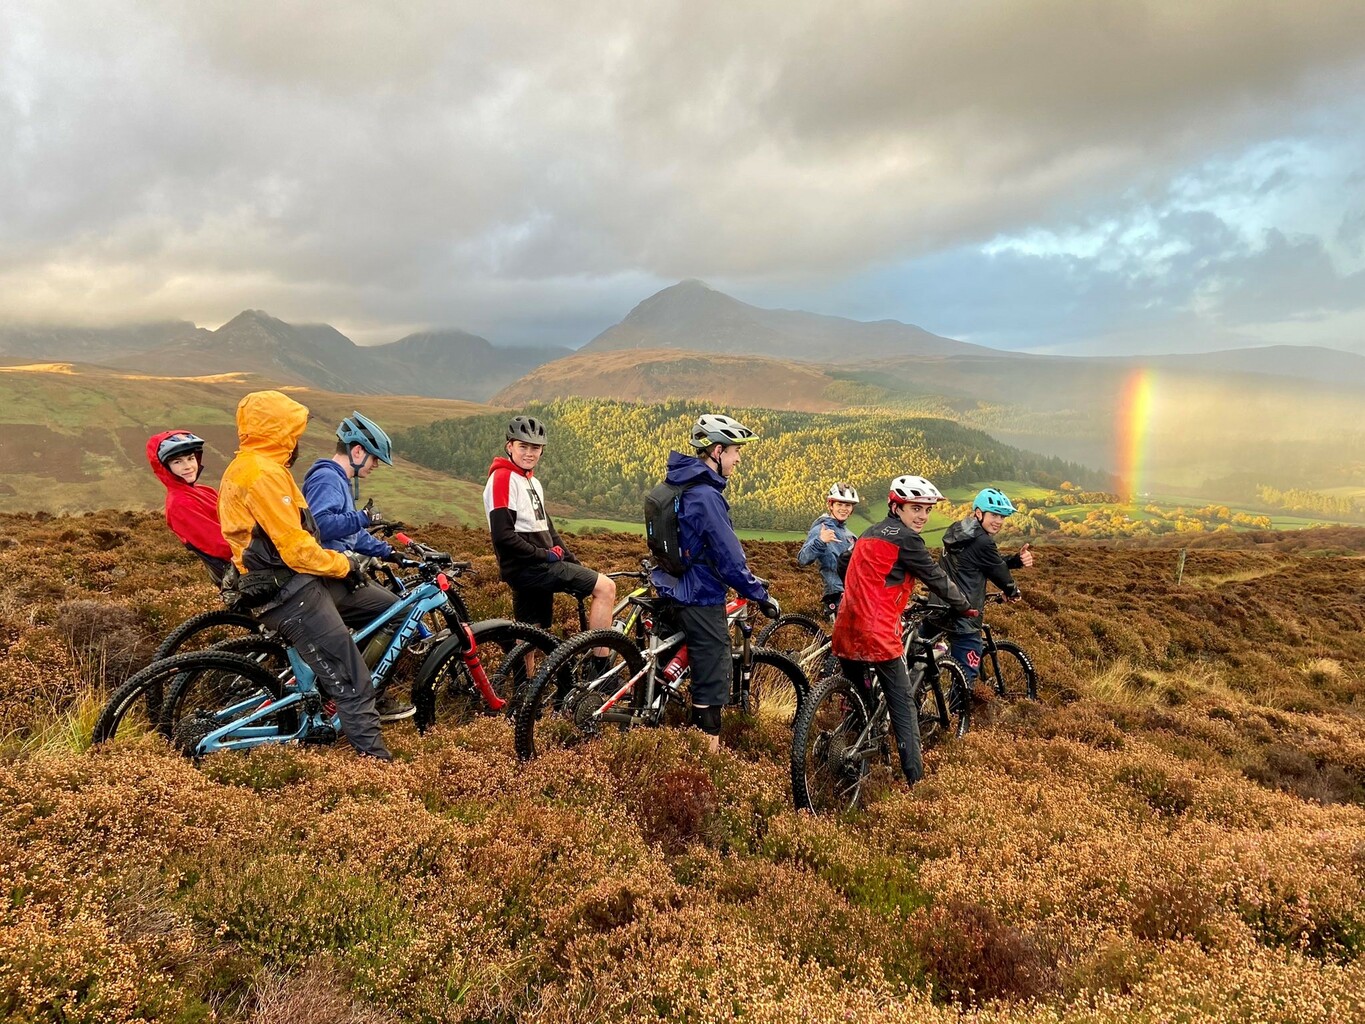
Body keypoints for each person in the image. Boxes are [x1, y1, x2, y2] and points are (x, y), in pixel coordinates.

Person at [218, 389, 394, 761]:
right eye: (293, 433)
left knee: (379, 608)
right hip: (288, 591)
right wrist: (345, 565)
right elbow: (295, 548)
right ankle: (377, 767)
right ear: (278, 432)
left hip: (293, 582)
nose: (297, 441)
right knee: (354, 682)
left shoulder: (256, 467)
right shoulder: (262, 474)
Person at [651, 413, 781, 753]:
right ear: (717, 451)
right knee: (712, 678)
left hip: (669, 584)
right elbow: (729, 557)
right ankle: (708, 753)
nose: (738, 459)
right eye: (735, 451)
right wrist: (759, 593)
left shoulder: (681, 483)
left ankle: (658, 722)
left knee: (669, 666)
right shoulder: (706, 497)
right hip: (699, 594)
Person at [832, 474, 970, 787]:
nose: (922, 515)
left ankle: (856, 754)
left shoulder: (869, 532)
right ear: (897, 507)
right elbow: (936, 577)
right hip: (877, 633)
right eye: (915, 508)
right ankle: (916, 782)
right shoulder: (907, 540)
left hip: (845, 626)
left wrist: (867, 591)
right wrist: (964, 606)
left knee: (862, 701)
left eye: (926, 510)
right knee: (904, 707)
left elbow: (844, 562)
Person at [302, 412, 413, 721]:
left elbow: (350, 533)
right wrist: (364, 517)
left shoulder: (338, 479)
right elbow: (322, 524)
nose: (375, 465)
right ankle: (363, 695)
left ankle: (340, 683)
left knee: (375, 612)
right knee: (399, 614)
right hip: (326, 576)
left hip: (332, 570)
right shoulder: (328, 477)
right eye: (374, 458)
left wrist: (390, 552)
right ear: (357, 451)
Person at [483, 416, 616, 656]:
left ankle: (524, 688)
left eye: (535, 447)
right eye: (523, 446)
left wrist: (571, 561)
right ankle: (601, 672)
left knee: (531, 633)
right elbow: (503, 536)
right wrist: (544, 555)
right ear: (509, 446)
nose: (529, 453)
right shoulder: (503, 478)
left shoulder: (531, 482)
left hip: (531, 567)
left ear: (542, 450)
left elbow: (549, 531)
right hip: (532, 568)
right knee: (606, 588)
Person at [940, 487, 1034, 700]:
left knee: (922, 660)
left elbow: (986, 562)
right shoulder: (983, 540)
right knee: (965, 676)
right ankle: (957, 723)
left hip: (938, 608)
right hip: (964, 615)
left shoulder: (959, 530)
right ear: (979, 513)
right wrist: (1013, 591)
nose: (999, 521)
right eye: (994, 515)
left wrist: (1016, 561)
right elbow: (999, 572)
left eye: (1001, 516)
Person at [147, 431, 233, 586]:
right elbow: (222, 547)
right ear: (165, 467)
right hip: (244, 575)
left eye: (190, 458)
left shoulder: (203, 490)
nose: (187, 466)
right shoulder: (180, 504)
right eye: (177, 462)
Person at [797, 482, 859, 615]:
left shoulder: (850, 535)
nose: (844, 508)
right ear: (831, 505)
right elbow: (802, 559)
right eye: (839, 504)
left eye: (847, 505)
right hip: (835, 594)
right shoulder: (821, 528)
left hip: (853, 593)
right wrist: (821, 541)